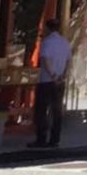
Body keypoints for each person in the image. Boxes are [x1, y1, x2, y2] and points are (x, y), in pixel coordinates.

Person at [30, 19, 71, 149]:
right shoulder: (64, 42)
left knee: (41, 110)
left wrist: (52, 75)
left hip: (47, 80)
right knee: (56, 111)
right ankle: (55, 139)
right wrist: (62, 75)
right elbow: (69, 61)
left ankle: (41, 139)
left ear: (48, 28)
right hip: (60, 81)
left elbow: (46, 60)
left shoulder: (47, 42)